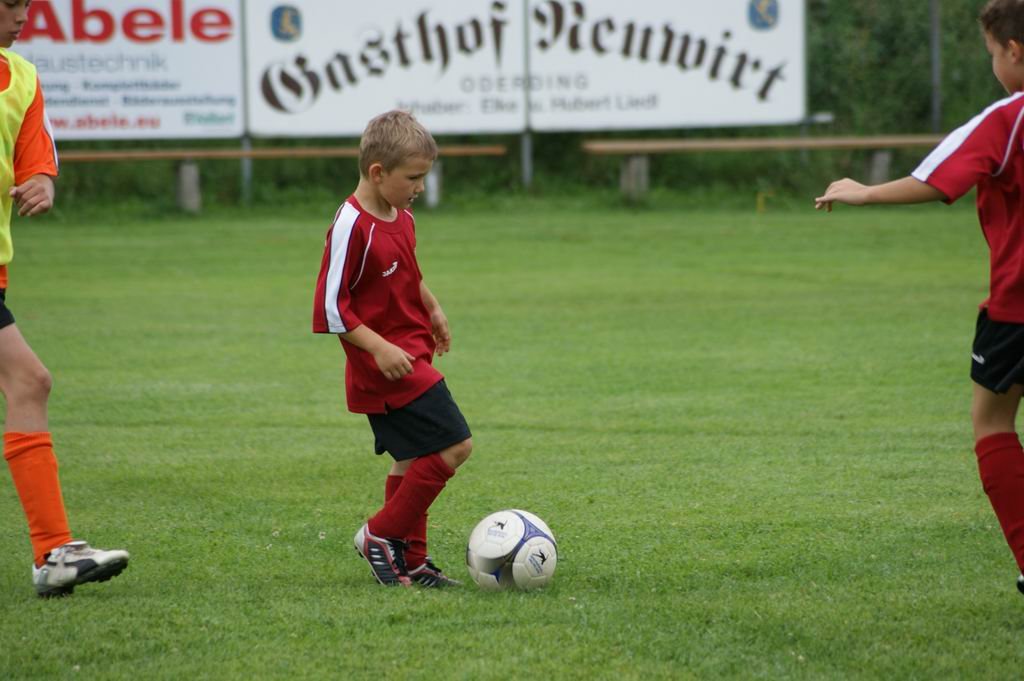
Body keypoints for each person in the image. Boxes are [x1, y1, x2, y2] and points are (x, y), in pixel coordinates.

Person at [815, 0, 1024, 598]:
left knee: (992, 422)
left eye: (992, 54)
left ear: (1013, 51)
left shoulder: (1008, 119)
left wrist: (864, 192)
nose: (993, 65)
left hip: (1017, 307)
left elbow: (940, 176)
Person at [1, 0, 128, 598]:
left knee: (29, 383)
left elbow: (35, 161)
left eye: (26, 4)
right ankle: (52, 551)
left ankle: (54, 553)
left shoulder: (23, 78)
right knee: (30, 381)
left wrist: (42, 183)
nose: (22, 16)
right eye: (10, 4)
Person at [313, 110, 472, 587]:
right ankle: (380, 534)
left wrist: (433, 307)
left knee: (415, 456)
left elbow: (408, 272)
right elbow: (330, 307)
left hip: (412, 352)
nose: (421, 187)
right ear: (378, 172)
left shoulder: (400, 215)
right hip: (384, 368)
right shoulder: (351, 224)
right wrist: (380, 349)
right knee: (455, 445)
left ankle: (413, 562)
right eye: (414, 178)